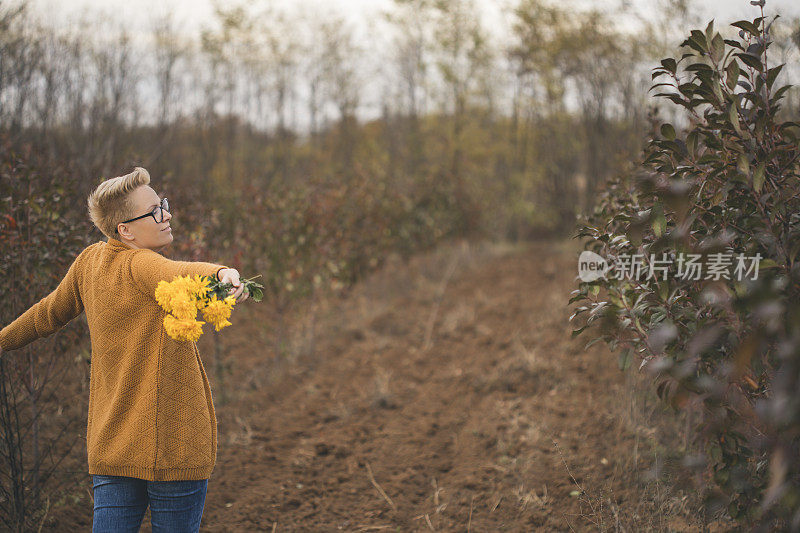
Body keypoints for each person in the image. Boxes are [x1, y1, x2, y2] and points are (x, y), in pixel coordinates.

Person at [0, 167, 247, 532]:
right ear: (125, 230)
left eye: (163, 204)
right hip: (175, 445)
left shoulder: (88, 263)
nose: (167, 215)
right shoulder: (141, 263)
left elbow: (44, 315)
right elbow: (178, 274)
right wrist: (222, 273)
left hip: (112, 444)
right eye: (155, 211)